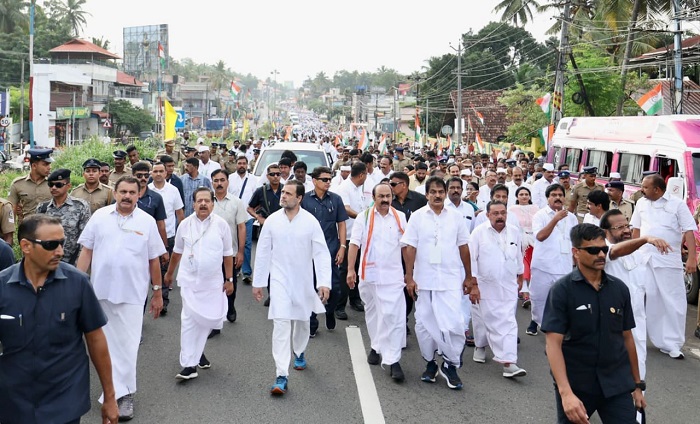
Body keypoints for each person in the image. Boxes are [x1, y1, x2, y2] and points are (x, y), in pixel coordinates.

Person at [0, 214, 118, 424]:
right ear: (26, 246)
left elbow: (96, 339)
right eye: (51, 245)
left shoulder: (78, 284)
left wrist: (110, 397)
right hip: (14, 401)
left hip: (65, 400)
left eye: (62, 243)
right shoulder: (2, 286)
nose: (60, 251)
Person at [76, 176, 166, 421]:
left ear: (139, 195)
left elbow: (154, 259)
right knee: (103, 346)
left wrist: (157, 292)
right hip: (100, 293)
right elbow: (87, 251)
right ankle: (111, 390)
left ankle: (124, 396)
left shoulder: (146, 222)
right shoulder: (100, 217)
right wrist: (76, 282)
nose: (127, 196)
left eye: (132, 192)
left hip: (132, 295)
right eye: (123, 191)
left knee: (127, 348)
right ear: (114, 193)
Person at [541, 223, 646, 424]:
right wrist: (566, 394)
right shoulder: (562, 291)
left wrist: (638, 385)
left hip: (616, 384)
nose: (600, 254)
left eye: (604, 249)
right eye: (593, 250)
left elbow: (627, 338)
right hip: (578, 386)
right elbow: (553, 344)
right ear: (576, 253)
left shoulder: (619, 289)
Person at [252, 180, 331, 395]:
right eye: (283, 192)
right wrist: (259, 282)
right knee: (281, 322)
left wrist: (324, 282)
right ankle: (281, 375)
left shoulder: (310, 222)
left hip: (303, 281)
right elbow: (263, 252)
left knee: (302, 321)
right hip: (278, 280)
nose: (283, 196)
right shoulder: (272, 221)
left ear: (299, 198)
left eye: (288, 193)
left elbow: (321, 253)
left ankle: (300, 351)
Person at [401, 176, 472, 390]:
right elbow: (409, 247)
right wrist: (409, 277)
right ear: (427, 194)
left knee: (454, 324)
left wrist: (469, 277)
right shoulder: (418, 217)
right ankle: (431, 363)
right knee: (424, 325)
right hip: (425, 279)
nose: (438, 195)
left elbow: (464, 247)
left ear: (447, 192)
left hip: (450, 279)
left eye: (441, 191)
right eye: (433, 192)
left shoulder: (456, 217)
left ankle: (451, 364)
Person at [164, 187, 235, 381]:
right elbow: (177, 252)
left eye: (207, 200)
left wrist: (229, 280)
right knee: (188, 321)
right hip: (189, 281)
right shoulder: (185, 225)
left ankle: (198, 353)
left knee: (205, 323)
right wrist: (169, 274)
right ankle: (189, 365)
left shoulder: (221, 226)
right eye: (199, 201)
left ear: (213, 203)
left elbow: (227, 254)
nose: (203, 204)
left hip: (212, 283)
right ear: (193, 204)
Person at [630, 173, 696, 359]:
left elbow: (689, 230)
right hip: (644, 258)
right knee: (648, 300)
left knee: (673, 301)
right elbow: (636, 229)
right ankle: (650, 339)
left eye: (645, 187)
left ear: (657, 189)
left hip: (668, 261)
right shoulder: (642, 203)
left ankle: (673, 343)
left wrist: (691, 258)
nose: (641, 189)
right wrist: (632, 253)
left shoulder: (677, 204)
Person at [601, 208, 670, 383]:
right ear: (606, 231)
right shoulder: (602, 250)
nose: (626, 230)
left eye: (627, 225)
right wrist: (646, 239)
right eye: (619, 227)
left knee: (638, 367)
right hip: (610, 322)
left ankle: (637, 408)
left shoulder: (638, 254)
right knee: (607, 369)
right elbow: (615, 252)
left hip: (636, 321)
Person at [347, 182, 407, 381]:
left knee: (393, 316)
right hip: (369, 276)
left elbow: (407, 247)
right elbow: (354, 244)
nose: (385, 200)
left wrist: (410, 274)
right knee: (374, 314)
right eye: (381, 196)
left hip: (393, 277)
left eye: (388, 196)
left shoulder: (400, 218)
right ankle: (376, 346)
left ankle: (392, 359)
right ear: (373, 198)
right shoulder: (363, 218)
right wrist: (350, 270)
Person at [469, 201, 527, 378]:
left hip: (508, 285)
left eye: (503, 213)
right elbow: (471, 259)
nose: (500, 216)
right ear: (488, 215)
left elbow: (518, 256)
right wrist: (473, 285)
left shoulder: (514, 232)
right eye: (495, 213)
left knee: (508, 322)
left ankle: (509, 362)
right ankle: (480, 345)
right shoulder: (479, 232)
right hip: (485, 285)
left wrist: (520, 277)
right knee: (486, 320)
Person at [300, 166, 348, 336]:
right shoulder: (304, 200)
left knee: (335, 288)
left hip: (331, 251)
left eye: (330, 179)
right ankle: (312, 323)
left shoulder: (336, 199)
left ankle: (329, 311)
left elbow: (341, 224)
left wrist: (342, 247)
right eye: (324, 179)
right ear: (314, 181)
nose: (328, 182)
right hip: (309, 252)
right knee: (311, 287)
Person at [527, 183, 579, 336]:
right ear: (547, 198)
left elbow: (575, 241)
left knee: (562, 302)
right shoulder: (540, 215)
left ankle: (553, 333)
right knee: (538, 300)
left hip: (564, 267)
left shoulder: (572, 218)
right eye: (554, 195)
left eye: (560, 195)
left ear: (564, 197)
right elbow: (540, 237)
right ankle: (537, 321)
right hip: (543, 266)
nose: (557, 198)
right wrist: (555, 219)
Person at [148, 162, 185, 316]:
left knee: (163, 267)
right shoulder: (146, 190)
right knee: (148, 269)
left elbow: (179, 213)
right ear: (151, 173)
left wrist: (181, 233)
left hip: (168, 235)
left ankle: (163, 300)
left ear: (165, 173)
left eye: (161, 171)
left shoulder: (173, 190)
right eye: (155, 171)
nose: (158, 174)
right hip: (149, 236)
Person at [211, 169, 247, 323]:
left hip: (230, 252)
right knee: (213, 285)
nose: (219, 183)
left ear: (227, 182)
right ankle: (216, 316)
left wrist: (240, 252)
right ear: (212, 182)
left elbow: (241, 227)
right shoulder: (206, 201)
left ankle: (230, 307)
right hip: (210, 253)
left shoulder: (236, 202)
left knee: (230, 281)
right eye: (216, 180)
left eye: (222, 180)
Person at [335, 162, 369, 318]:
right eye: (366, 175)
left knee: (356, 269)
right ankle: (339, 306)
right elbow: (346, 209)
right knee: (345, 271)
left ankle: (355, 300)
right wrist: (364, 218)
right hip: (347, 236)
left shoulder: (357, 188)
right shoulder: (344, 188)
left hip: (360, 236)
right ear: (361, 174)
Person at [36, 169, 91, 265]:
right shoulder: (42, 208)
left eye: (58, 185)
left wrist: (80, 264)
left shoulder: (80, 206)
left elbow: (85, 238)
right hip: (47, 261)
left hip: (72, 262)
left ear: (68, 186)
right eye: (50, 184)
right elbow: (37, 236)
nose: (53, 188)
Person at [228, 155, 258, 285]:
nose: (242, 166)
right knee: (231, 243)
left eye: (244, 163)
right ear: (236, 165)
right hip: (231, 217)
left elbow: (257, 197)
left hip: (247, 217)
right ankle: (234, 268)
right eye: (239, 163)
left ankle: (246, 272)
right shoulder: (230, 179)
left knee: (246, 244)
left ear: (247, 165)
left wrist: (254, 211)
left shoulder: (253, 180)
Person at [508, 186, 539, 308]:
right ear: (517, 197)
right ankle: (525, 293)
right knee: (523, 264)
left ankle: (533, 292)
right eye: (521, 194)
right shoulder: (512, 209)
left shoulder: (536, 208)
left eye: (526, 194)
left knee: (533, 265)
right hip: (519, 240)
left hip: (535, 239)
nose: (524, 196)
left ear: (530, 196)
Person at [8, 148, 53, 222]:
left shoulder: (54, 184)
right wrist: (10, 231)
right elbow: (11, 211)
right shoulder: (18, 184)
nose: (49, 167)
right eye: (45, 164)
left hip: (48, 229)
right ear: (34, 166)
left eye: (49, 164)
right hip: (27, 230)